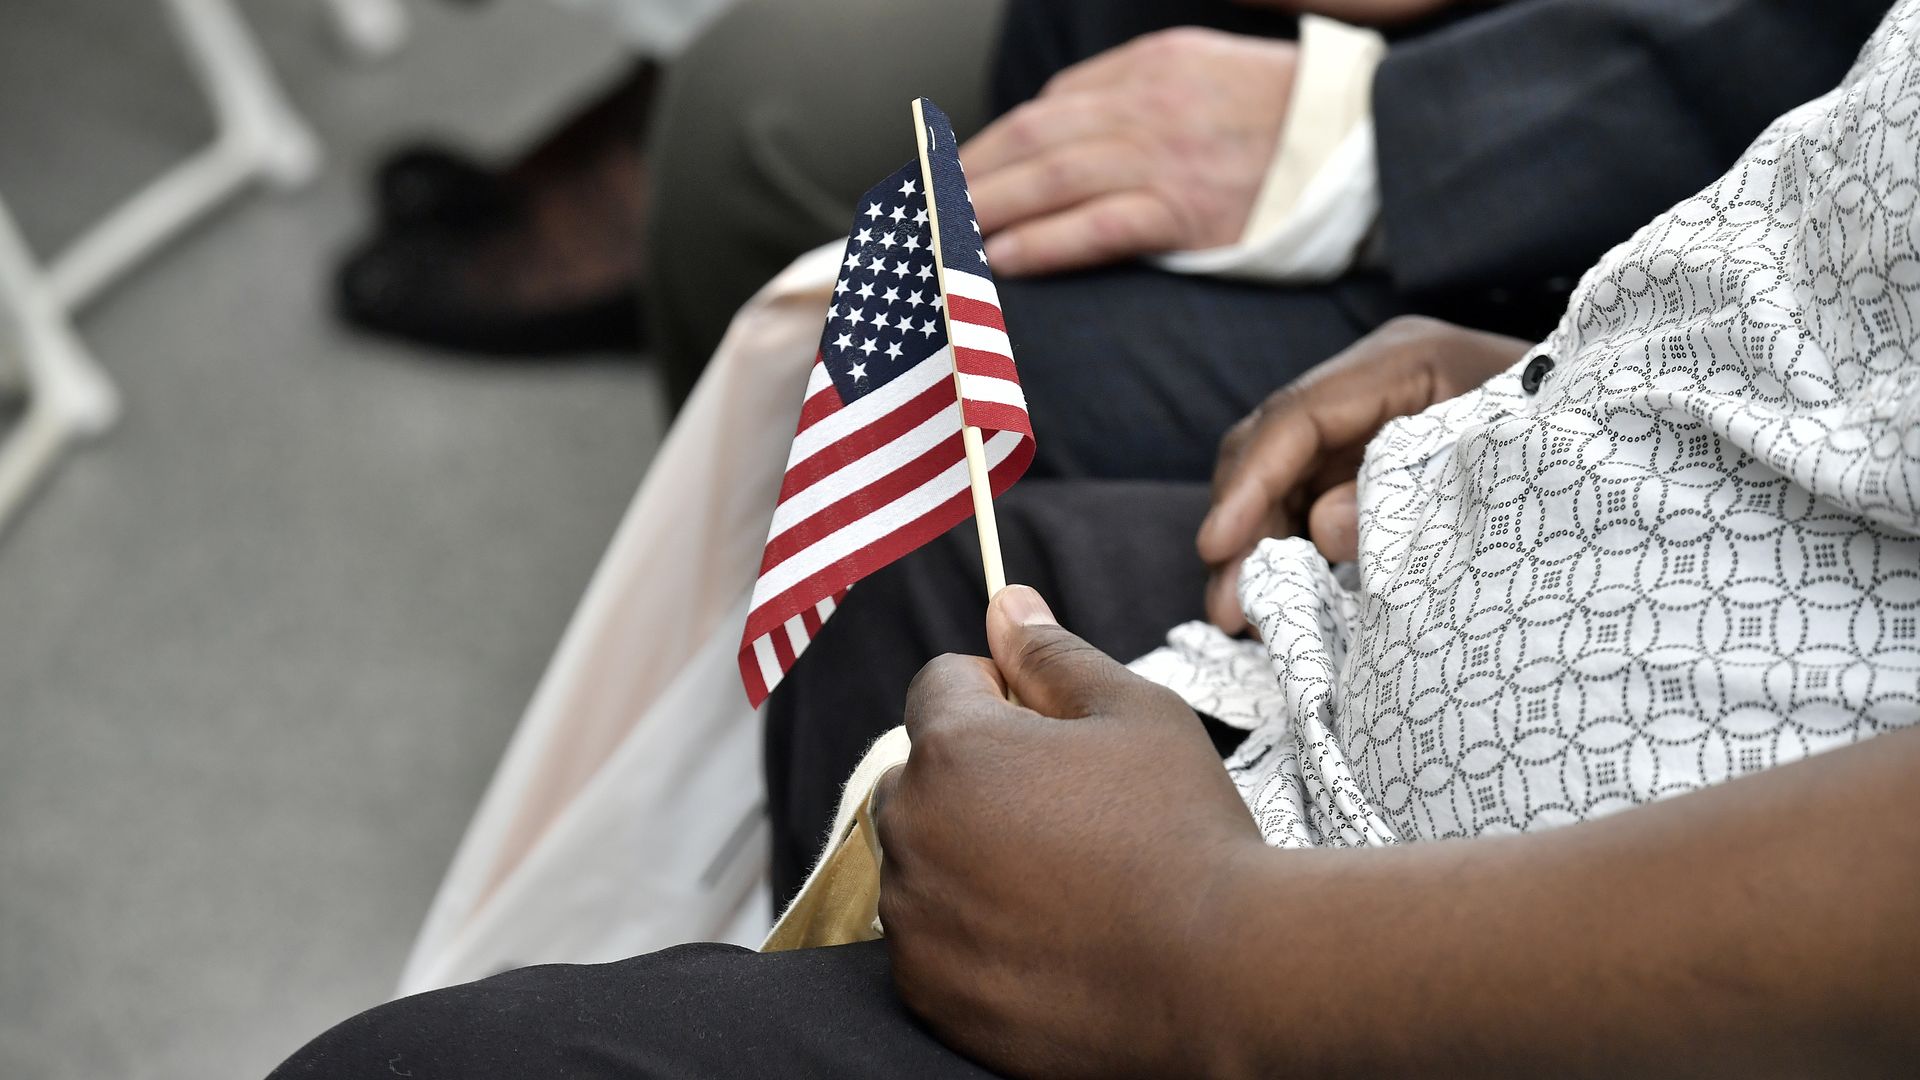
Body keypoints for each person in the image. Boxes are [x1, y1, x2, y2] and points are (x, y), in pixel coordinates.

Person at [270, 2, 1920, 1074]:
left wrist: (1208, 948)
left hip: (1437, 957)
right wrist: (1577, 374)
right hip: (1464, 583)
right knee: (911, 587)